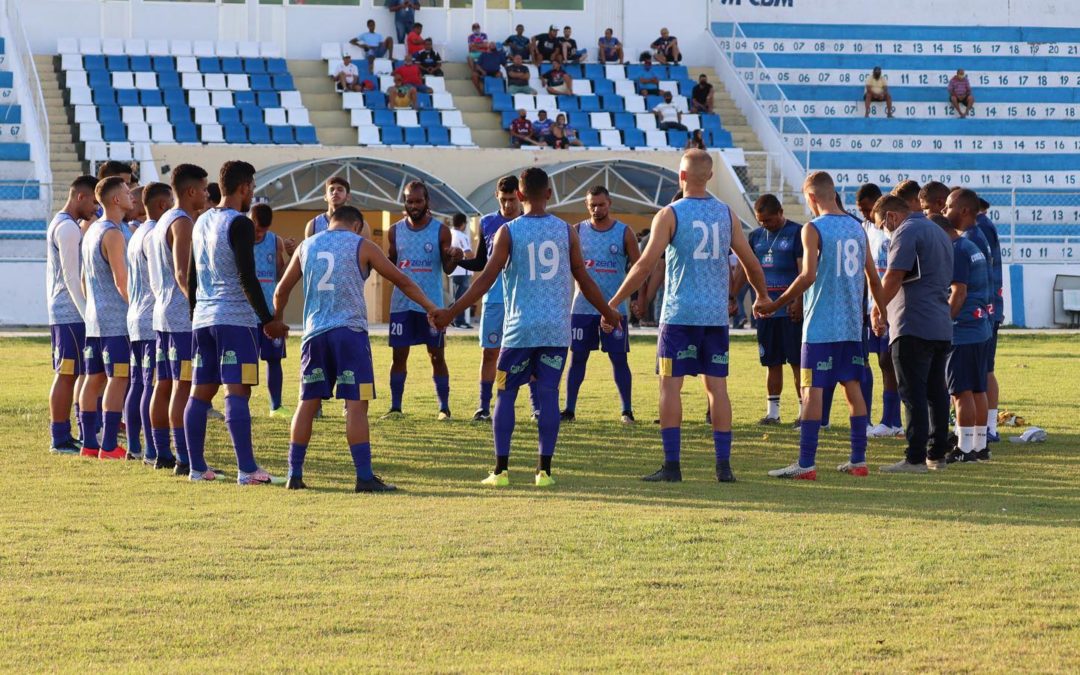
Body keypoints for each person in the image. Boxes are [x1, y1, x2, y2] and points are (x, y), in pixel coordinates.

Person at [430, 167, 621, 487]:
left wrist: (451, 312)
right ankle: (544, 472)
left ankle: (501, 471)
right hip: (555, 331)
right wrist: (609, 312)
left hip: (520, 330)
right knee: (547, 395)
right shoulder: (567, 231)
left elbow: (485, 279)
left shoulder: (509, 232)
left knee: (505, 393)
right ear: (548, 194)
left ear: (519, 196)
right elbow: (584, 280)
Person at [605, 150, 770, 483]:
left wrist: (615, 302)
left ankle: (672, 466)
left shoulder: (669, 213)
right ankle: (723, 468)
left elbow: (644, 265)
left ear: (680, 176)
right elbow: (751, 263)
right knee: (717, 390)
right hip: (714, 316)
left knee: (669, 387)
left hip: (680, 315)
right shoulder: (727, 214)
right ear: (710, 176)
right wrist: (763, 296)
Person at [273, 206, 436, 492]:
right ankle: (363, 477)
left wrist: (276, 321)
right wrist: (432, 308)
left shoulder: (306, 246)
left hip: (314, 335)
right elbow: (401, 280)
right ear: (358, 224)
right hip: (349, 334)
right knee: (355, 406)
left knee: (307, 404)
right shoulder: (363, 245)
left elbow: (281, 291)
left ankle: (293, 474)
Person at [760, 172, 885, 480]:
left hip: (819, 325)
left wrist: (775, 304)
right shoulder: (858, 228)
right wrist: (881, 310)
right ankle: (858, 459)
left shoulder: (812, 229)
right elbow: (872, 276)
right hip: (851, 324)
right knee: (852, 387)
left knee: (811, 388)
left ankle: (806, 463)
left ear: (812, 198)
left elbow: (808, 276)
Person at [184, 161, 288, 484]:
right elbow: (247, 277)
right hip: (234, 321)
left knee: (200, 393)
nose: (252, 195)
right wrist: (268, 319)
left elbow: (191, 278)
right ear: (244, 188)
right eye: (252, 189)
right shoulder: (240, 223)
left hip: (203, 318)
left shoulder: (200, 221)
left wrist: (195, 315)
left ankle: (197, 468)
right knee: (237, 391)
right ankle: (246, 469)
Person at [871, 195, 954, 473]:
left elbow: (894, 275)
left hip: (912, 322)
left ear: (892, 217)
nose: (884, 230)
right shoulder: (938, 231)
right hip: (939, 323)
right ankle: (936, 453)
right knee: (936, 392)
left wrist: (878, 309)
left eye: (882, 224)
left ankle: (915, 457)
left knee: (913, 392)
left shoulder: (906, 231)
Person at [146, 164, 207, 473]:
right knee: (183, 385)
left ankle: (161, 452)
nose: (208, 195)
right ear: (192, 191)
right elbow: (183, 273)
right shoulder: (182, 222)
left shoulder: (161, 221)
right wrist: (197, 307)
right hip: (181, 315)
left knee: (164, 384)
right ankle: (184, 458)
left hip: (161, 312)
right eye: (205, 189)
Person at [384, 181, 462, 420]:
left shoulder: (440, 231)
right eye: (410, 201)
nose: (414, 205)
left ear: (427, 202)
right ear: (404, 203)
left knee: (437, 356)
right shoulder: (395, 231)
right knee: (398, 357)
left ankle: (443, 408)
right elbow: (391, 263)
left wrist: (455, 257)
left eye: (418, 201)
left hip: (432, 306)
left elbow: (448, 268)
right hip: (401, 305)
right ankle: (396, 408)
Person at [561, 186, 640, 423]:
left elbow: (639, 267)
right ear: (587, 206)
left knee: (619, 358)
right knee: (577, 358)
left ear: (610, 203)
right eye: (592, 205)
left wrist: (637, 299)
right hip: (582, 308)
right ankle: (570, 409)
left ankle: (627, 410)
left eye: (601, 204)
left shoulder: (625, 233)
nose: (597, 209)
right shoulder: (576, 231)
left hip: (615, 309)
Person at [452, 176, 526, 422]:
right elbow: (482, 263)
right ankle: (483, 406)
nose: (507, 205)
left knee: (528, 352)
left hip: (524, 299)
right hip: (494, 298)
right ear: (496, 196)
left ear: (521, 197)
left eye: (512, 200)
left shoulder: (530, 222)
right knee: (490, 353)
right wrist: (457, 260)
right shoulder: (487, 223)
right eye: (503, 200)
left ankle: (536, 407)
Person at [731, 194, 803, 426]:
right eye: (761, 221)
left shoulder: (798, 233)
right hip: (765, 311)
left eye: (769, 220)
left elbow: (804, 271)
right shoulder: (755, 237)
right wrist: (732, 295)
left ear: (781, 213)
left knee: (797, 362)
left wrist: (798, 301)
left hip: (790, 310)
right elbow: (745, 269)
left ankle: (804, 412)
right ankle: (773, 412)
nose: (765, 225)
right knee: (771, 361)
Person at [79, 176, 133, 460]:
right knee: (118, 378)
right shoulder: (112, 233)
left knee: (94, 378)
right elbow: (122, 281)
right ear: (115, 199)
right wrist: (133, 308)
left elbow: (84, 280)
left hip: (95, 318)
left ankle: (89, 443)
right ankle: (109, 444)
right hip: (116, 321)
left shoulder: (91, 231)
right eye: (126, 192)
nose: (131, 196)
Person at [45, 175, 97, 455]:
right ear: (81, 197)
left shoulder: (63, 223)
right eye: (93, 201)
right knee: (67, 373)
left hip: (64, 309)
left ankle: (67, 434)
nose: (95, 209)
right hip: (69, 311)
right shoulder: (68, 229)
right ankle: (60, 437)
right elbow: (70, 276)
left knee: (74, 372)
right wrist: (86, 312)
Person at [941, 189, 992, 464]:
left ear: (962, 210)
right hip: (980, 326)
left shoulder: (959, 248)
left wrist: (944, 321)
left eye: (948, 205)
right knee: (977, 389)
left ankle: (964, 448)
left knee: (961, 392)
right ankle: (979, 447)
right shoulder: (974, 244)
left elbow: (958, 292)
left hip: (963, 329)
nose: (945, 209)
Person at [124, 182, 172, 464]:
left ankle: (134, 445)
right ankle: (153, 449)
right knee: (150, 386)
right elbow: (159, 281)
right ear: (162, 204)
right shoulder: (154, 233)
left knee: (137, 384)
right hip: (151, 317)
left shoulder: (137, 233)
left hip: (135, 316)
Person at [857, 183, 903, 437]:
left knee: (888, 360)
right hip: (872, 305)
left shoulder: (891, 231)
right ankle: (871, 419)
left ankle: (892, 419)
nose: (864, 214)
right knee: (869, 359)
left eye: (866, 209)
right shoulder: (866, 228)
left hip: (891, 305)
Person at [251, 203, 291, 417]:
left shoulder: (275, 241)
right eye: (256, 229)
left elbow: (280, 275)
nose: (259, 234)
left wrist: (292, 255)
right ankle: (240, 405)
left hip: (269, 314)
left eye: (263, 230)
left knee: (274, 359)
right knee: (244, 364)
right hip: (245, 315)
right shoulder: (239, 239)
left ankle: (276, 406)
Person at [975, 198, 1004, 442]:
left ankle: (989, 426)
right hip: (988, 308)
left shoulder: (980, 228)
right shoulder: (984, 225)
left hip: (984, 310)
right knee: (983, 369)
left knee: (984, 370)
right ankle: (987, 425)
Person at [448, 213, 474, 328]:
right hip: (463, 271)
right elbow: (468, 253)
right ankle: (459, 320)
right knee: (462, 298)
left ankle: (452, 317)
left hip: (454, 270)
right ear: (463, 224)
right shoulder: (461, 236)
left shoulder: (449, 233)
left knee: (457, 297)